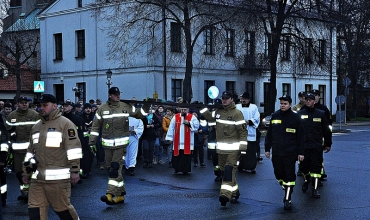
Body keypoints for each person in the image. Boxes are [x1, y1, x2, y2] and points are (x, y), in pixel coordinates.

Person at [22, 94, 82, 219]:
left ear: (55, 106)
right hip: (37, 179)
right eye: (40, 105)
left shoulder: (65, 124)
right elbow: (30, 152)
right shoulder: (36, 126)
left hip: (58, 181)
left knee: (63, 210)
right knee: (35, 212)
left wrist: (75, 170)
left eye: (45, 105)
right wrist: (26, 172)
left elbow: (73, 149)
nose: (41, 108)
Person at [89, 87, 149, 205]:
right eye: (115, 94)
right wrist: (92, 141)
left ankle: (109, 194)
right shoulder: (102, 109)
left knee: (115, 168)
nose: (118, 96)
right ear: (110, 95)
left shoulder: (125, 106)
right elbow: (95, 126)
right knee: (111, 169)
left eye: (119, 94)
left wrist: (146, 105)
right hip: (107, 145)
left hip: (121, 145)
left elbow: (139, 114)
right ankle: (120, 195)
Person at [200, 91, 247, 206]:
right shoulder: (219, 111)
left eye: (227, 98)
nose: (224, 100)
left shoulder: (237, 113)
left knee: (228, 171)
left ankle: (225, 195)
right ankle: (235, 192)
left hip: (233, 151)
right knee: (225, 171)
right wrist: (202, 109)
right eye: (223, 98)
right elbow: (210, 119)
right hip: (221, 150)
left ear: (232, 99)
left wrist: (243, 149)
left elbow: (243, 132)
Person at [264, 95, 305, 210]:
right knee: (278, 174)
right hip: (277, 152)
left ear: (290, 105)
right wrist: (267, 149)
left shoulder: (295, 118)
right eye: (281, 103)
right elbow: (269, 134)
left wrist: (301, 152)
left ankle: (287, 198)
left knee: (289, 176)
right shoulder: (275, 116)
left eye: (285, 103)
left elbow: (301, 137)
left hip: (290, 153)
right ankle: (285, 186)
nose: (282, 105)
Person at [5, 96, 41, 202]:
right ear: (17, 104)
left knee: (32, 171)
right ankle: (24, 192)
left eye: (26, 102)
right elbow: (7, 132)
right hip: (17, 151)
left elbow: (41, 130)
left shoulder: (34, 115)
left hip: (32, 150)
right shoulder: (12, 116)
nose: (24, 104)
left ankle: (32, 193)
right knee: (19, 173)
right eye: (22, 103)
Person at [297, 93, 332, 198]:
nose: (308, 102)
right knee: (304, 168)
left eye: (310, 100)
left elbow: (326, 130)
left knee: (316, 168)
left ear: (314, 101)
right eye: (306, 100)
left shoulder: (320, 114)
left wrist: (328, 143)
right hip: (303, 146)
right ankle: (307, 180)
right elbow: (296, 131)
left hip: (316, 146)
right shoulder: (299, 114)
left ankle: (315, 189)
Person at [165, 107, 199, 174]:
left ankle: (185, 170)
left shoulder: (192, 117)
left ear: (188, 110)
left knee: (186, 156)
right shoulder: (176, 116)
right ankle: (176, 169)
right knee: (177, 155)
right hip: (177, 141)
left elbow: (196, 125)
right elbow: (171, 127)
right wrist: (170, 138)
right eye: (182, 109)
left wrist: (189, 123)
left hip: (187, 142)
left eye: (185, 109)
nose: (183, 111)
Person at [310, 89, 332, 180]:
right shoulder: (304, 109)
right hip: (307, 137)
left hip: (320, 136)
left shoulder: (323, 109)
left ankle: (320, 172)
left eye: (316, 95)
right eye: (313, 95)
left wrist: (328, 141)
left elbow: (329, 125)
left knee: (318, 155)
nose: (315, 97)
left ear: (319, 96)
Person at [62, 99, 88, 178]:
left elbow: (82, 132)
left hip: (76, 142)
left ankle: (78, 175)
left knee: (77, 159)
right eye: (63, 106)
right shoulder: (60, 119)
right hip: (63, 143)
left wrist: (83, 142)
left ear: (71, 107)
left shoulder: (77, 119)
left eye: (66, 106)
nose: (64, 108)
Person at [236, 91, 261, 174]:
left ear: (248, 99)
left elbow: (257, 118)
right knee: (241, 151)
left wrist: (249, 121)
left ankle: (251, 167)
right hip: (239, 132)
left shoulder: (253, 107)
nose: (243, 100)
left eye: (245, 99)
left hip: (250, 132)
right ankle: (241, 166)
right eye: (242, 99)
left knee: (250, 151)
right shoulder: (237, 107)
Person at [80, 103, 95, 178]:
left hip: (92, 140)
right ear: (84, 109)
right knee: (84, 156)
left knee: (91, 156)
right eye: (86, 108)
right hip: (83, 140)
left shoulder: (94, 117)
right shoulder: (80, 117)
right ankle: (83, 171)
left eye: (89, 108)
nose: (88, 110)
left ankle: (89, 170)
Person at [0, 117, 9, 208]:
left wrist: (2, 159)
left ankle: (3, 199)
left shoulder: (1, 126)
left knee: (1, 181)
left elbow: (4, 144)